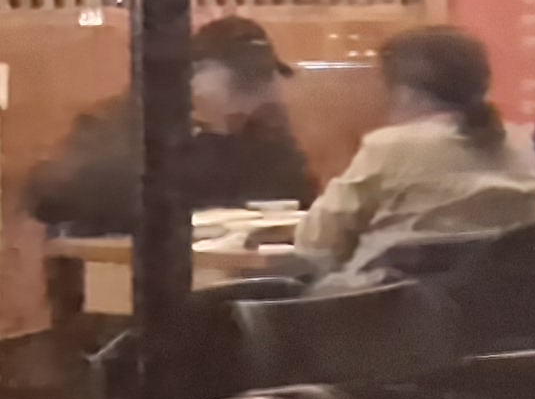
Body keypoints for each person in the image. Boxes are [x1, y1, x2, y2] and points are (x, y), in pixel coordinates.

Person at [24, 16, 319, 236]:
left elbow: (301, 200)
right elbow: (47, 197)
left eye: (263, 86)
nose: (253, 101)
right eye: (241, 85)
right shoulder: (124, 125)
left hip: (233, 280)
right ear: (193, 76)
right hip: (124, 281)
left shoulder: (262, 135)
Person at [296, 26, 535, 274]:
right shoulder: (518, 143)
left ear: (404, 92)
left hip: (385, 295)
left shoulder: (390, 148)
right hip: (495, 293)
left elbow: (317, 244)